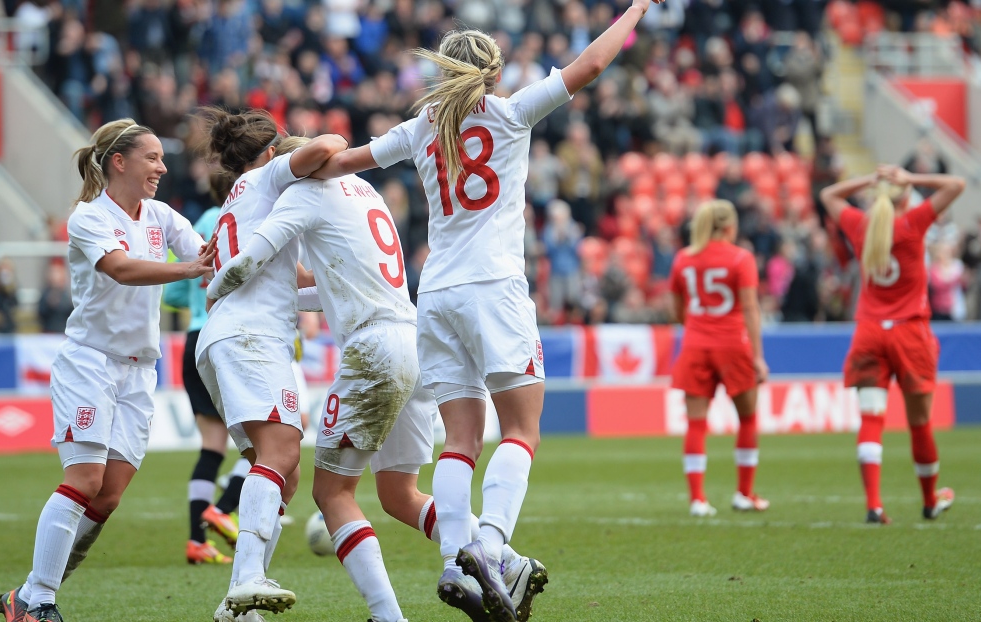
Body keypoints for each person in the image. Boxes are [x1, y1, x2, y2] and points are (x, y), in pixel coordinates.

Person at [309, 3, 659, 619]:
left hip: (436, 293)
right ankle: (492, 546)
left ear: (444, 73)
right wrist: (636, 6)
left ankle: (453, 561)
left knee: (461, 440)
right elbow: (595, 62)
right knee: (521, 428)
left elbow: (339, 163)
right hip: (493, 286)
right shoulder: (512, 111)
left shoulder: (419, 128)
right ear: (493, 73)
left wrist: (288, 166)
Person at [210, 136, 547, 622]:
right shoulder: (366, 194)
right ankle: (505, 561)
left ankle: (388, 616)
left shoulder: (303, 194)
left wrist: (218, 285)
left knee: (331, 494)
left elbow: (252, 257)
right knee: (398, 494)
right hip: (413, 341)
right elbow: (329, 288)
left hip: (372, 350)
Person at [0, 118, 217, 622]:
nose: (163, 167)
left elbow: (209, 257)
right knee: (85, 480)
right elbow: (120, 268)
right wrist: (190, 270)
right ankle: (42, 605)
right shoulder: (88, 218)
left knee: (110, 494)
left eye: (163, 159)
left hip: (140, 371)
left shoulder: (162, 215)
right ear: (120, 162)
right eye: (153, 157)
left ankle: (27, 595)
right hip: (89, 363)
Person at [194, 107, 347, 620]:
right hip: (250, 337)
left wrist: (346, 287)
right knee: (281, 452)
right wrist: (295, 151)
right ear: (268, 151)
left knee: (285, 470)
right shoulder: (267, 175)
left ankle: (235, 607)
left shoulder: (244, 200)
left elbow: (294, 279)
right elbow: (330, 144)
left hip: (230, 337)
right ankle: (246, 581)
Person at [820, 164, 966, 524]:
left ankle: (874, 505)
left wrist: (870, 179)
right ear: (905, 198)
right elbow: (956, 184)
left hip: (869, 331)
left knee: (871, 419)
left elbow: (828, 195)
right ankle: (930, 500)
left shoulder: (859, 225)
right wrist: (910, 179)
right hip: (910, 332)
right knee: (919, 423)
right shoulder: (912, 223)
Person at [162, 171, 247, 565]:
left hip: (194, 339)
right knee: (281, 434)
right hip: (228, 338)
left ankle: (197, 541)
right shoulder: (244, 214)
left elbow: (175, 289)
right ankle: (225, 509)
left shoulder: (198, 223)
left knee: (212, 447)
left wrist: (196, 304)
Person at [668, 200, 769, 518]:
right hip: (733, 345)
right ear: (729, 227)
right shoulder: (741, 258)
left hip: (696, 344)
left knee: (696, 423)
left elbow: (676, 307)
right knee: (748, 419)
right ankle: (744, 493)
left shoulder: (684, 258)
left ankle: (698, 500)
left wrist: (696, 328)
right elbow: (751, 309)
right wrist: (758, 356)